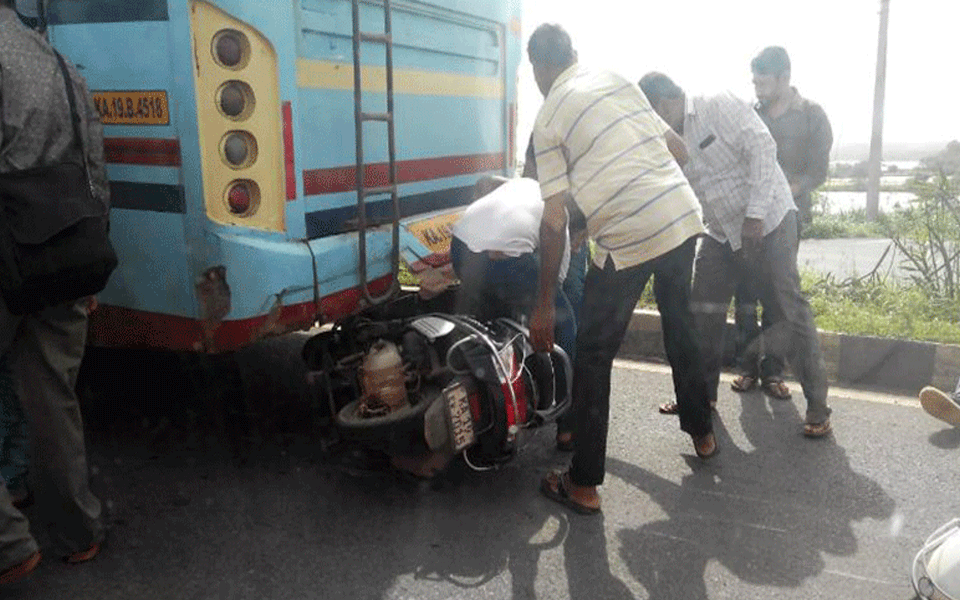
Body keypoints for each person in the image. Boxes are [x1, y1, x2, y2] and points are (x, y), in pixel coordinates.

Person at [528, 24, 715, 516]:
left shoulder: (548, 117)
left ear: (538, 69)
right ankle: (703, 434)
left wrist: (544, 304)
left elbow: (553, 219)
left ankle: (583, 483)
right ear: (575, 54)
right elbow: (678, 148)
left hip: (629, 236)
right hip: (679, 215)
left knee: (592, 354)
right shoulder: (614, 77)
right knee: (681, 323)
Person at [639, 71, 832, 439]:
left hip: (770, 221)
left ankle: (818, 407)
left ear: (663, 104)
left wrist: (755, 215)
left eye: (651, 114)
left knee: (788, 309)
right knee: (702, 311)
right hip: (721, 233)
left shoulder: (717, 104)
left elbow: (763, 147)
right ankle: (700, 399)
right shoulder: (668, 139)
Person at [0, 1, 108, 584]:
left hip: (6, 254)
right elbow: (95, 167)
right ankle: (77, 533)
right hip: (64, 247)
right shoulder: (60, 63)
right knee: (52, 399)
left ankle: (9, 546)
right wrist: (88, 267)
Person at [731, 46, 835, 400]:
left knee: (778, 295)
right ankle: (746, 367)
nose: (756, 86)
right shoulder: (749, 114)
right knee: (744, 293)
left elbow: (818, 172)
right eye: (754, 80)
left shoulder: (812, 116)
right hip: (751, 217)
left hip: (787, 218)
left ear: (784, 78)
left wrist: (784, 190)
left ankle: (773, 372)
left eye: (763, 80)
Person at [450, 175, 576, 368]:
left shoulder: (522, 185)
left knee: (493, 324)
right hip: (501, 260)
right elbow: (555, 280)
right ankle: (565, 389)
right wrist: (544, 310)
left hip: (459, 250)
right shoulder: (558, 212)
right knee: (563, 322)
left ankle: (490, 378)